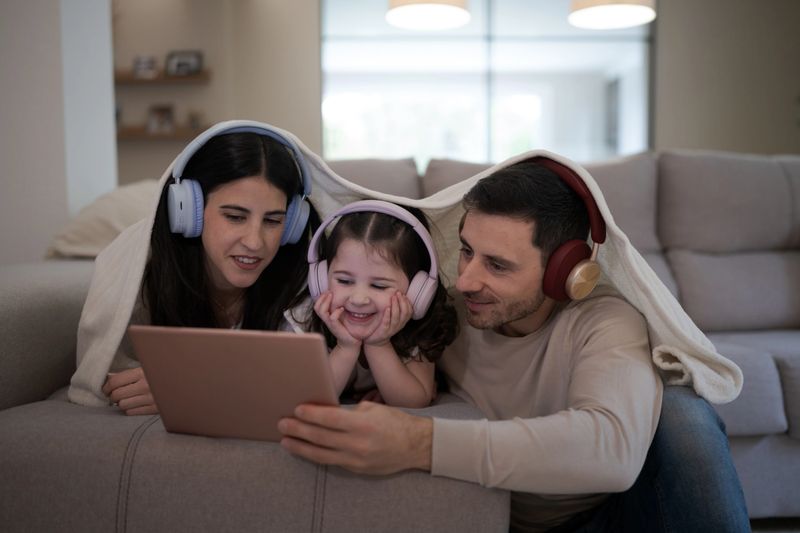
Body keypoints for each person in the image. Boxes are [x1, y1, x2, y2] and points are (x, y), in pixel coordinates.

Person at [277, 156, 750, 532]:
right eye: (466, 251)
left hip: (605, 519)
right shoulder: (444, 309)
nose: (466, 280)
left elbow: (612, 451)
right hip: (488, 516)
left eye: (498, 265)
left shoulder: (605, 320)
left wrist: (418, 442)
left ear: (565, 271)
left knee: (684, 413)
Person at [68, 121, 320, 414]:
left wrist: (191, 386)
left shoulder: (306, 274)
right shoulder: (140, 268)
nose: (255, 242)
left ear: (292, 225)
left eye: (273, 221)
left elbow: (313, 377)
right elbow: (101, 381)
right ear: (188, 211)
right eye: (235, 217)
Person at [290, 200, 458, 407]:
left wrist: (379, 344)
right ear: (321, 279)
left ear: (417, 291)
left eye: (379, 286)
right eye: (344, 281)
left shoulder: (418, 329)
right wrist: (346, 347)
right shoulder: (307, 318)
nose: (358, 299)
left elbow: (413, 402)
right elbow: (310, 399)